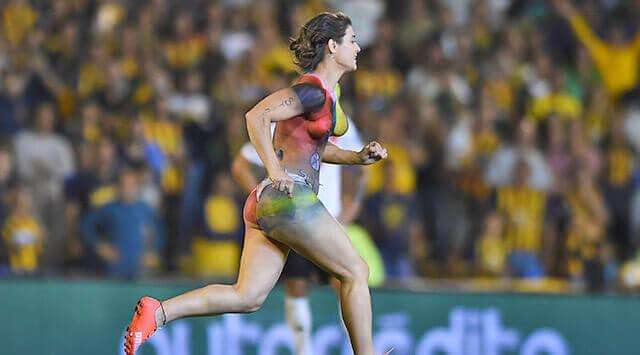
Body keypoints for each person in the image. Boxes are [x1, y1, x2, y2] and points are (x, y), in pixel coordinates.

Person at [124, 12, 388, 355]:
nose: (358, 46)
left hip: (268, 204)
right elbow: (256, 116)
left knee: (247, 296)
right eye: (352, 40)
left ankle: (157, 312)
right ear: (332, 46)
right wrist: (276, 171)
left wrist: (357, 157)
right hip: (289, 197)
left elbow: (315, 149)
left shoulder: (326, 95)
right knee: (356, 270)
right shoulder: (312, 92)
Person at [231, 84, 366, 355]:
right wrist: (269, 195)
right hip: (295, 214)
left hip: (330, 216)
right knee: (299, 283)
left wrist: (352, 206)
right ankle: (304, 350)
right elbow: (240, 164)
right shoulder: (282, 125)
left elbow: (359, 168)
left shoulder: (333, 123)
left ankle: (356, 348)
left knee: (346, 280)